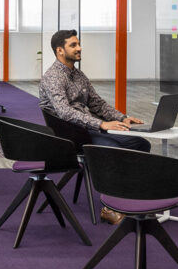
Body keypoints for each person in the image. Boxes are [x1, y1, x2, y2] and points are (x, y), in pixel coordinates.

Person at [39, 29, 150, 224]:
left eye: (78, 43)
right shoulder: (53, 77)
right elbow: (64, 112)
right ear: (60, 51)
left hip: (88, 130)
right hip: (70, 136)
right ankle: (110, 208)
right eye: (73, 45)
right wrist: (101, 124)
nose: (79, 48)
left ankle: (130, 196)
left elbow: (97, 104)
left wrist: (123, 117)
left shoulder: (78, 75)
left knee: (140, 144)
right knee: (113, 150)